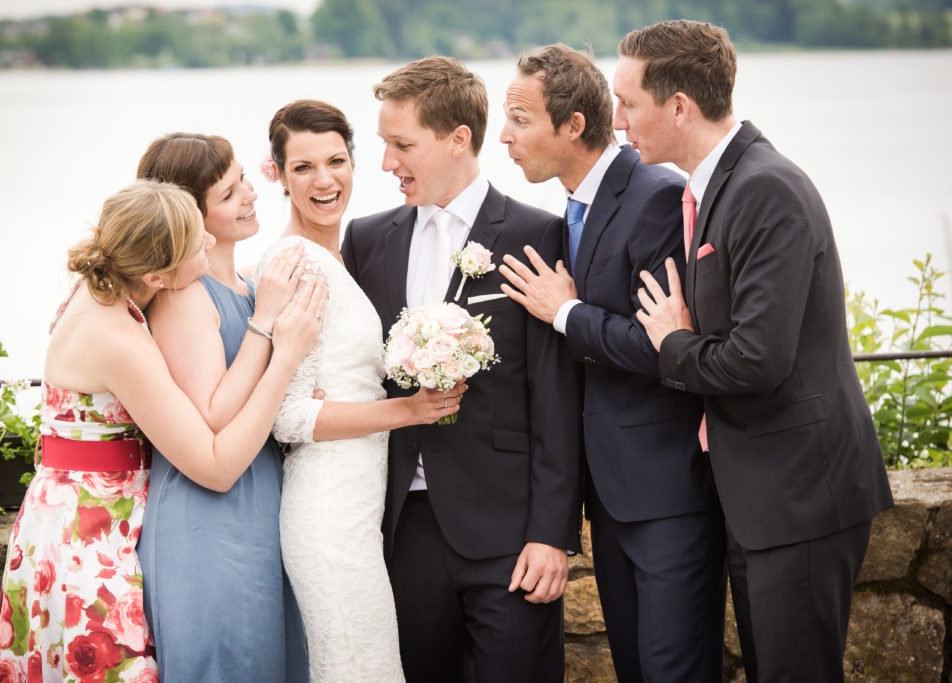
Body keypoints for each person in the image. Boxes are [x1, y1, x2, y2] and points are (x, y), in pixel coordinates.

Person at [617, 20, 894, 682]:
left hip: (799, 496)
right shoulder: (713, 187)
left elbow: (757, 361)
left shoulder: (764, 188)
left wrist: (673, 343)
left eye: (628, 102)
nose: (618, 118)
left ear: (679, 105)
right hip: (761, 496)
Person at [0, 179, 324, 682]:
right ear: (156, 275)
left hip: (61, 516)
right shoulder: (117, 338)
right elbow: (216, 466)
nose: (210, 243)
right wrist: (286, 355)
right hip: (92, 535)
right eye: (197, 244)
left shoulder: (100, 284)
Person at [340, 57, 584, 683]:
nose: (388, 163)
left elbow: (557, 397)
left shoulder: (539, 235)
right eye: (384, 146)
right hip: (403, 527)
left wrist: (552, 534)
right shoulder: (366, 240)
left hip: (509, 530)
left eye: (402, 145)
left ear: (458, 140)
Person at [497, 44, 726, 682]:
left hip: (667, 492)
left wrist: (565, 313)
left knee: (673, 669)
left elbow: (668, 348)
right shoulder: (565, 212)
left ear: (573, 126)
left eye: (520, 118)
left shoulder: (654, 194)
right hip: (610, 498)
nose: (504, 137)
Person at [255, 99, 467, 682]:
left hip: (358, 507)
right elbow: (290, 416)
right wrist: (408, 409)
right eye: (303, 168)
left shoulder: (335, 255)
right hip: (328, 509)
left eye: (336, 160)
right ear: (276, 174)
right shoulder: (296, 265)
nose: (325, 180)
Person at [134, 133, 313, 682]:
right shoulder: (186, 296)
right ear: (191, 216)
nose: (252, 194)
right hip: (209, 518)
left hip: (260, 502)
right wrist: (275, 334)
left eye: (244, 180)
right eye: (231, 192)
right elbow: (210, 413)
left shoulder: (252, 284)